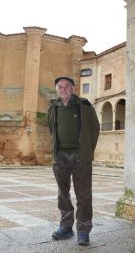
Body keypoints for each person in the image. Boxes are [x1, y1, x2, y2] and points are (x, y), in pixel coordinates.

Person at [47, 76, 100, 246]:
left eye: (67, 86)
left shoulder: (84, 105)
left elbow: (95, 129)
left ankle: (83, 231)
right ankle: (66, 227)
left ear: (72, 88)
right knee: (63, 195)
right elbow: (51, 129)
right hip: (60, 156)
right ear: (56, 90)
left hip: (80, 157)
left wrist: (86, 151)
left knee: (84, 195)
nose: (63, 89)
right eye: (60, 87)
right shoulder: (53, 108)